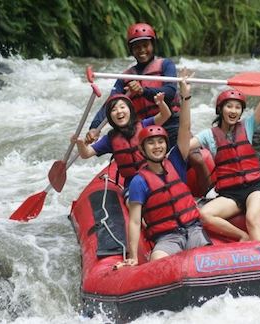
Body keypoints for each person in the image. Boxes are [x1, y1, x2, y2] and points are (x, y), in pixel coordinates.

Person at [86, 22, 212, 197]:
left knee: (197, 158)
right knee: (147, 171)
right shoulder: (125, 76)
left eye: (145, 45)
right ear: (131, 50)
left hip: (170, 123)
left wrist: (143, 90)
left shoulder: (165, 65)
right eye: (136, 47)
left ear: (152, 45)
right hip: (143, 129)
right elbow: (110, 103)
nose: (142, 50)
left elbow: (169, 92)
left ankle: (209, 196)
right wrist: (94, 127)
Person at [189, 50, 260, 242]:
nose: (233, 110)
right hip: (230, 194)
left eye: (237, 107)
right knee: (204, 214)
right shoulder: (209, 135)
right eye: (229, 106)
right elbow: (185, 146)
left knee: (252, 218)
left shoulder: (248, 126)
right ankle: (242, 237)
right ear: (221, 109)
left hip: (254, 188)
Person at [116, 70, 211, 268]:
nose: (157, 146)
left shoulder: (176, 160)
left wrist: (185, 96)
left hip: (193, 229)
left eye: (160, 142)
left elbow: (184, 127)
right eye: (151, 143)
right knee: (158, 263)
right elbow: (134, 222)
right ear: (142, 149)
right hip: (167, 237)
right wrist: (133, 256)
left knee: (208, 261)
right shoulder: (139, 181)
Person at [71, 92, 171, 197]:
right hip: (132, 183)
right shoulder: (110, 139)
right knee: (132, 200)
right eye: (114, 110)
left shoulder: (144, 125)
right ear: (110, 117)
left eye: (122, 107)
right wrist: (80, 143)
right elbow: (86, 154)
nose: (119, 111)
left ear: (130, 111)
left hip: (153, 174)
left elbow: (165, 115)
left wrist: (161, 103)